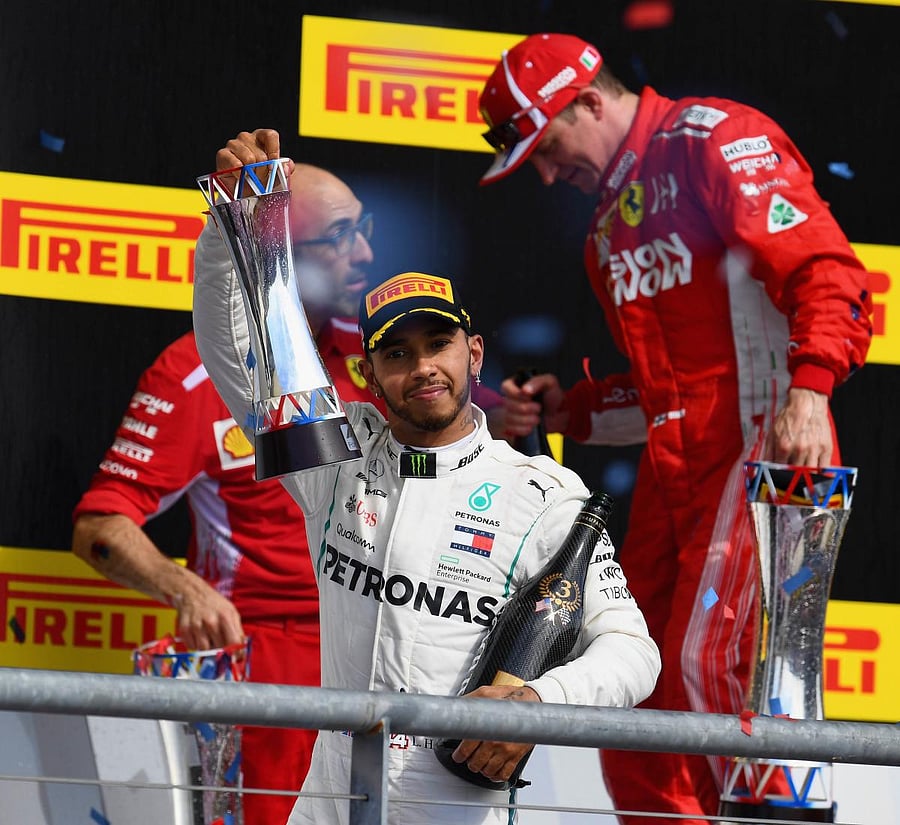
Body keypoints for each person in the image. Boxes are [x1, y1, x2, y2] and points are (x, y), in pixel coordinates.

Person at [477, 32, 873, 825]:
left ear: (589, 99)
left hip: (762, 446)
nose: (549, 174)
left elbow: (828, 273)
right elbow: (663, 394)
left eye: (547, 148)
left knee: (713, 659)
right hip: (673, 476)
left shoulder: (714, 139)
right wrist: (570, 411)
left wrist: (810, 391)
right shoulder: (604, 235)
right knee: (630, 677)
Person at [193, 163, 661, 824]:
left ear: (473, 353)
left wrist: (540, 699)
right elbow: (234, 353)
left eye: (438, 344)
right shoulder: (336, 457)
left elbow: (632, 650)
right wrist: (233, 215)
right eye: (397, 354)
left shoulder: (544, 492)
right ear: (368, 372)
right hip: (328, 808)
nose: (422, 369)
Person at [72, 138, 508, 825]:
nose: (364, 253)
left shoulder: (385, 356)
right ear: (284, 256)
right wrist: (185, 588)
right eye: (338, 238)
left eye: (363, 229)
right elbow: (101, 524)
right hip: (267, 662)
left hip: (390, 650)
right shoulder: (199, 374)